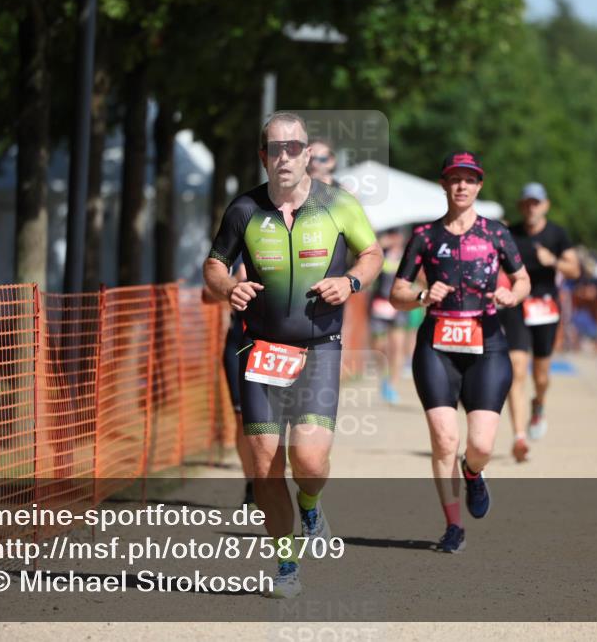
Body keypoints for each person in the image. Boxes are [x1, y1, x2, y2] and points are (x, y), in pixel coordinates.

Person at [203, 112, 382, 598]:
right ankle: (286, 565)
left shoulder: (338, 205)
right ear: (263, 157)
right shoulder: (244, 209)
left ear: (306, 154)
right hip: (258, 349)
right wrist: (228, 288)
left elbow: (373, 253)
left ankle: (310, 502)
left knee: (308, 458)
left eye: (293, 147)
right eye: (274, 149)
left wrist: (350, 282)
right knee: (264, 463)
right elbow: (215, 263)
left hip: (319, 347)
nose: (284, 157)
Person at [390, 151, 529, 553]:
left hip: (487, 343)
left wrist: (510, 294)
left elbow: (522, 282)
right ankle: (453, 525)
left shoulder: (497, 234)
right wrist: (419, 295)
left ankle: (473, 472)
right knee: (443, 438)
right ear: (444, 185)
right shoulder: (425, 237)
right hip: (436, 345)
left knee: (481, 445)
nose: (462, 186)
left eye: (470, 179)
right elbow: (396, 293)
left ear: (479, 185)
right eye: (455, 179)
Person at [499, 182, 580, 460]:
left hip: (546, 307)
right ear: (521, 206)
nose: (531, 207)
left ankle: (539, 403)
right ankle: (519, 436)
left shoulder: (557, 234)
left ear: (545, 205)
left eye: (536, 203)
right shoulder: (511, 233)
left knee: (541, 375)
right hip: (517, 305)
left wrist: (553, 261)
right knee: (517, 369)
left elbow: (574, 269)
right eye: (527, 203)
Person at [202, 258, 258, 506]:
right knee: (241, 417)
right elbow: (207, 295)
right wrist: (234, 282)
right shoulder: (235, 254)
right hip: (238, 343)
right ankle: (252, 484)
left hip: (277, 346)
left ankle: (271, 477)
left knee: (272, 418)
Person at [369, 229, 410, 404]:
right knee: (379, 346)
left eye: (397, 235)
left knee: (397, 347)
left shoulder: (408, 256)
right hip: (380, 303)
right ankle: (383, 374)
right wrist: (380, 245)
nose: (395, 238)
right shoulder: (381, 254)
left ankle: (391, 385)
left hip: (399, 307)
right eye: (391, 235)